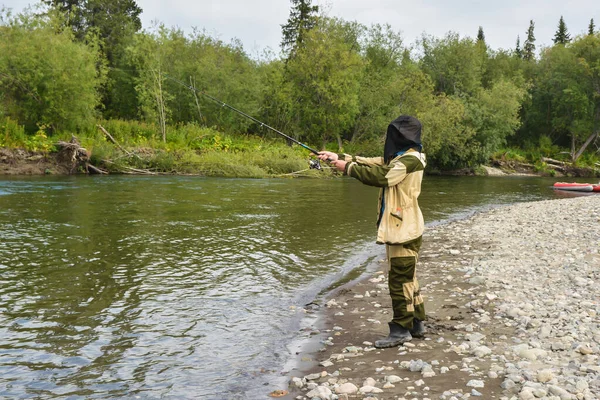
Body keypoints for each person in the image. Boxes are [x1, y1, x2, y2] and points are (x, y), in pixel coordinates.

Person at [316, 115, 427, 348]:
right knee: (408, 278)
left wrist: (347, 168)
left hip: (403, 230)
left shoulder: (409, 161)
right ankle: (416, 323)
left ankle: (400, 330)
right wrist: (340, 158)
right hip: (405, 227)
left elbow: (382, 176)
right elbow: (373, 162)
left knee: (399, 280)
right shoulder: (403, 157)